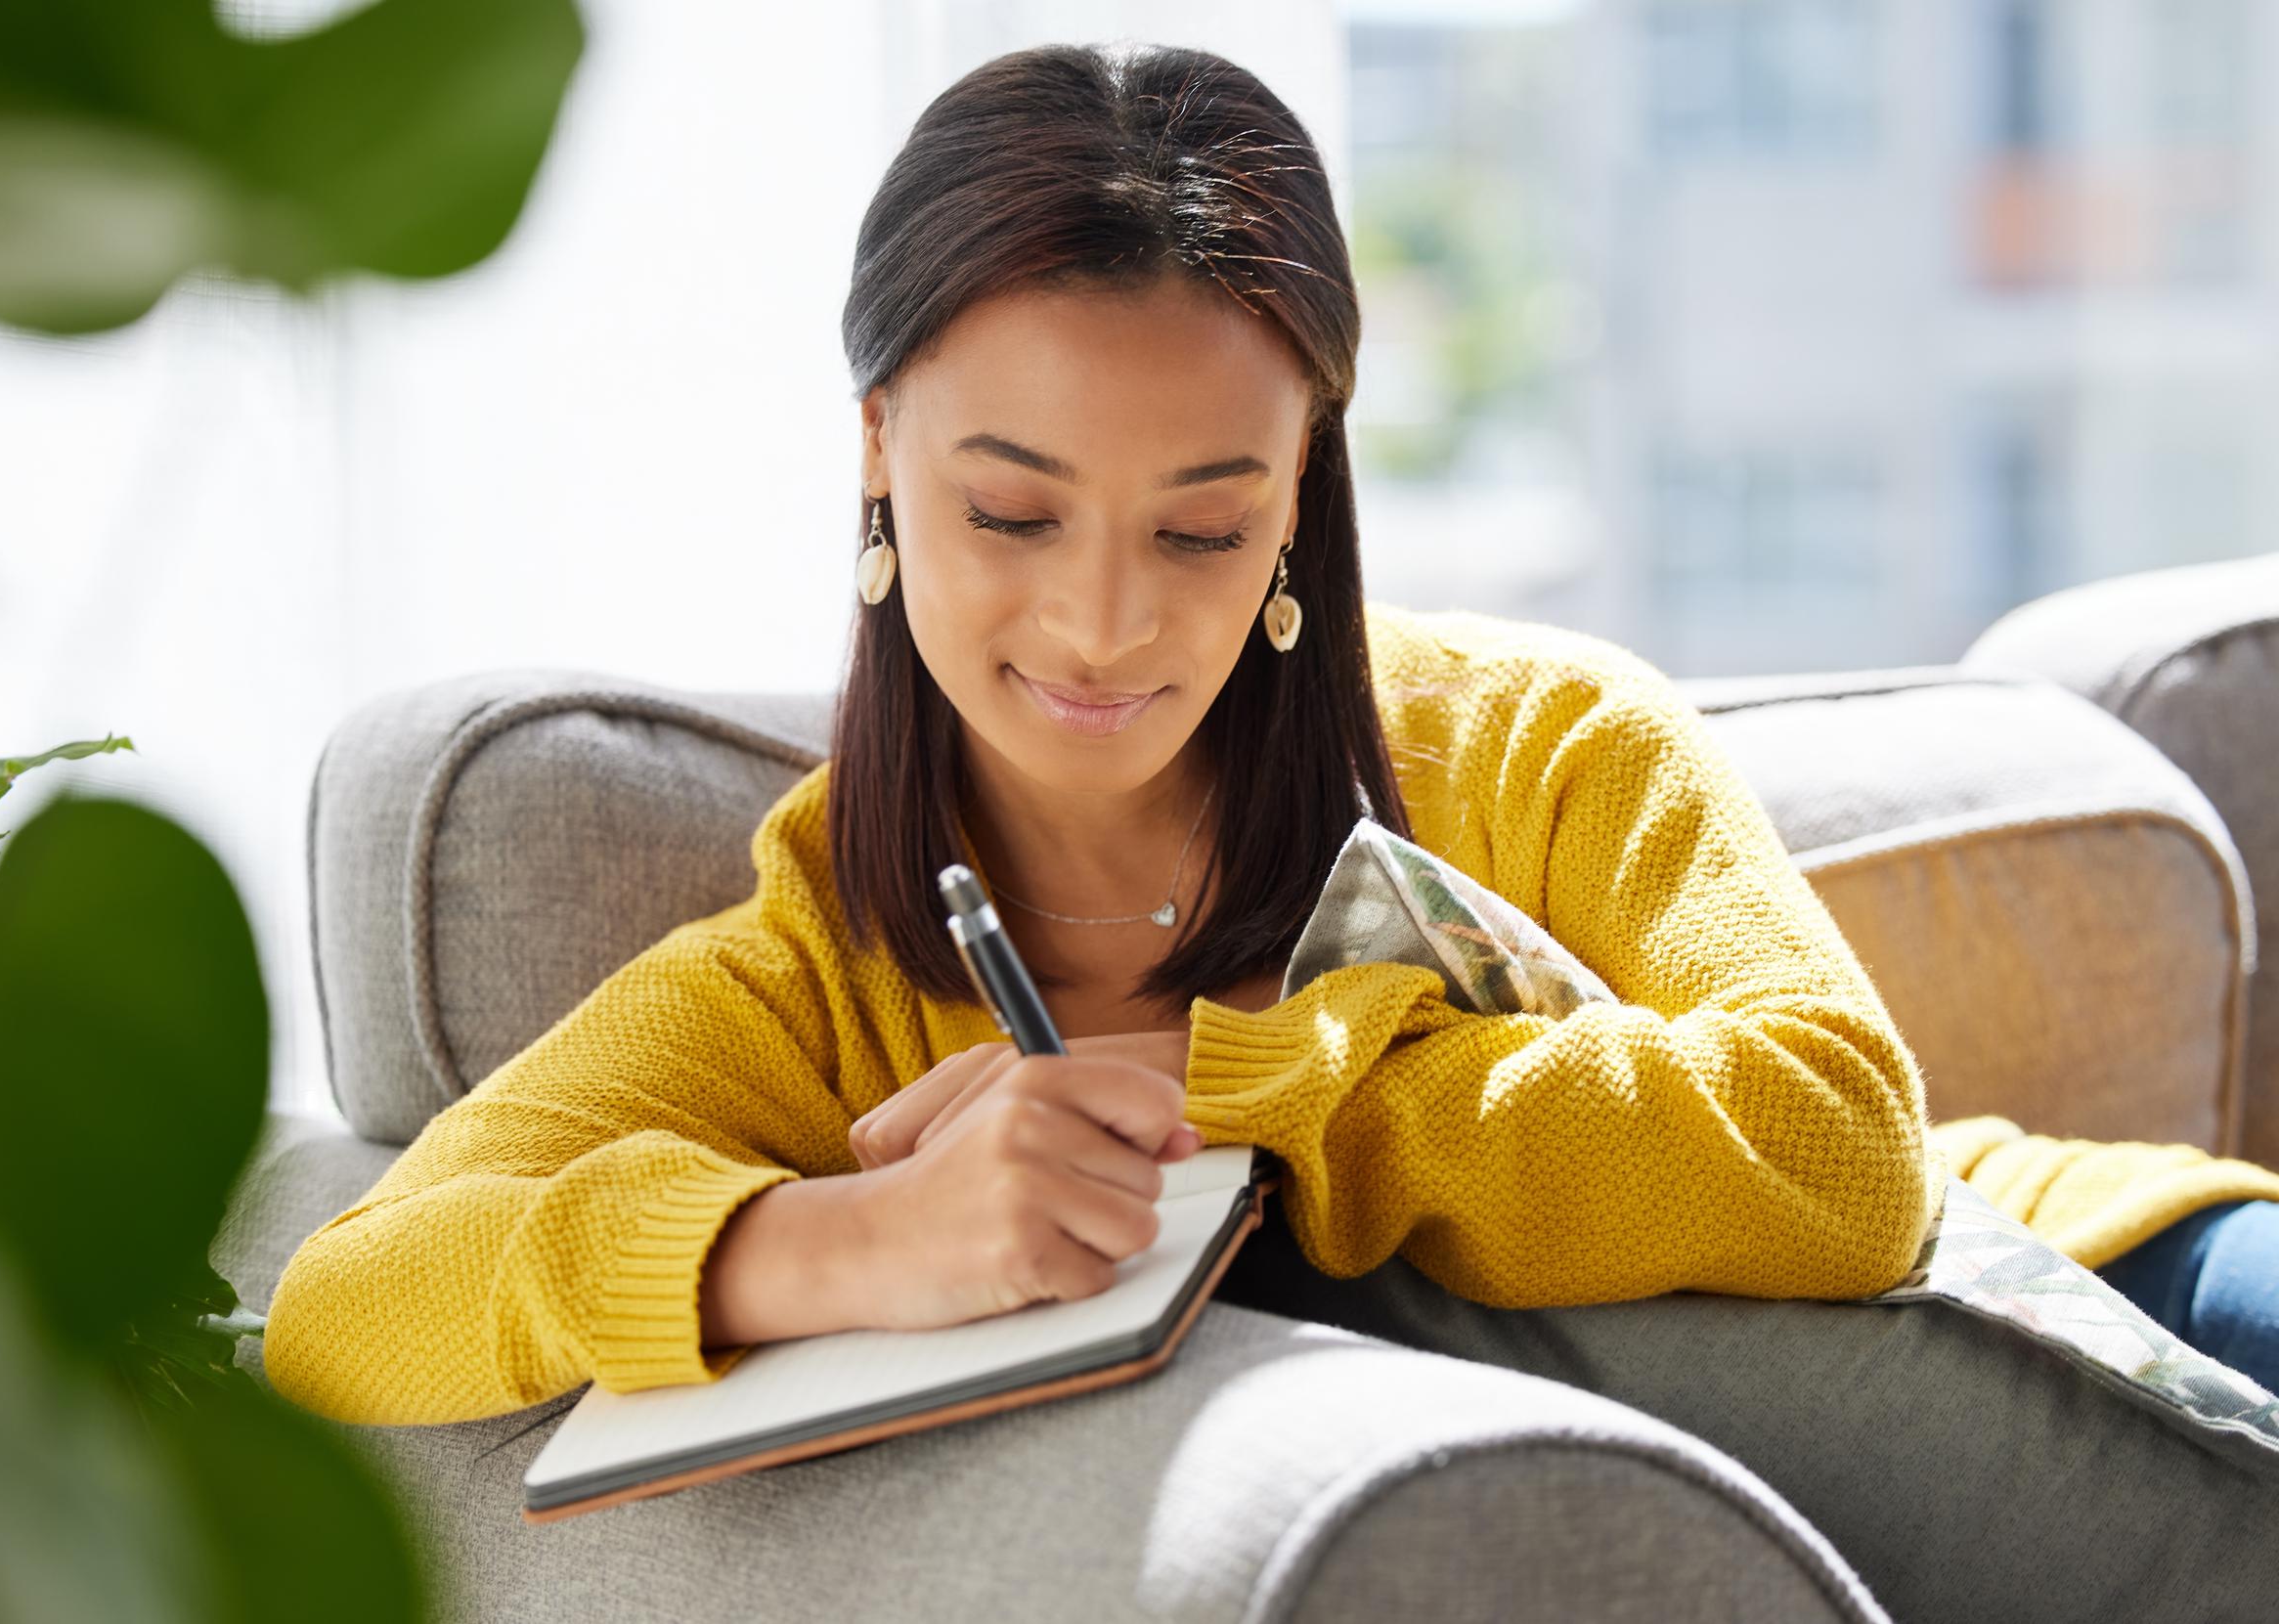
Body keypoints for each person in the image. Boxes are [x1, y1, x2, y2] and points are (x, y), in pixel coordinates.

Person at [264, 36, 2277, 1471]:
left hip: (2098, 1297)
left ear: (1304, 492)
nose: (1107, 622)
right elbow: (349, 1311)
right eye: (1013, 513)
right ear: (877, 454)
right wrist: (838, 1241)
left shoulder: (1543, 743)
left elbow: (1844, 1153)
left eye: (1208, 527)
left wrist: (1226, 1110)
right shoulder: (816, 981)